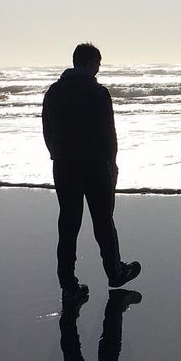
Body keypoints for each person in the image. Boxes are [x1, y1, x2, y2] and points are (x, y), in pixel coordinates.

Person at [42, 43, 141, 298]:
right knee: (103, 222)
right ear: (88, 64)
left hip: (64, 167)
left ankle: (67, 282)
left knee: (68, 223)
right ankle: (115, 272)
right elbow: (109, 135)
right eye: (97, 64)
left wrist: (56, 155)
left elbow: (47, 130)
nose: (99, 69)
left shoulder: (53, 92)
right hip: (95, 166)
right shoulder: (98, 93)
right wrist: (113, 164)